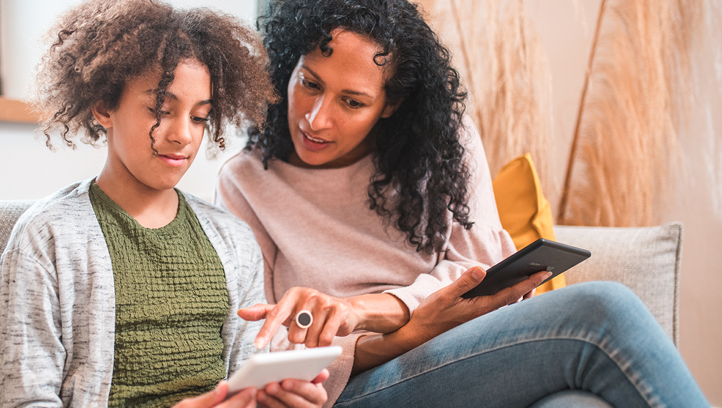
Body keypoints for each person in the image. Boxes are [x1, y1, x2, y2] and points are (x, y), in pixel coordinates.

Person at [215, 0, 710, 406]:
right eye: (310, 83)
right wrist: (405, 334)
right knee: (604, 308)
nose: (317, 120)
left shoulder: (442, 143)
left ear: (390, 105)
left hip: (457, 351)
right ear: (287, 65)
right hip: (345, 386)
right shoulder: (246, 182)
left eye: (352, 101)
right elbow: (261, 349)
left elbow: (480, 269)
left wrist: (370, 308)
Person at [0, 1, 330, 407]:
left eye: (199, 117)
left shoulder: (235, 242)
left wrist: (277, 399)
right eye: (160, 110)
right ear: (105, 105)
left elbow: (245, 384)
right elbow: (27, 399)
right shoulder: (49, 236)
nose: (182, 136)